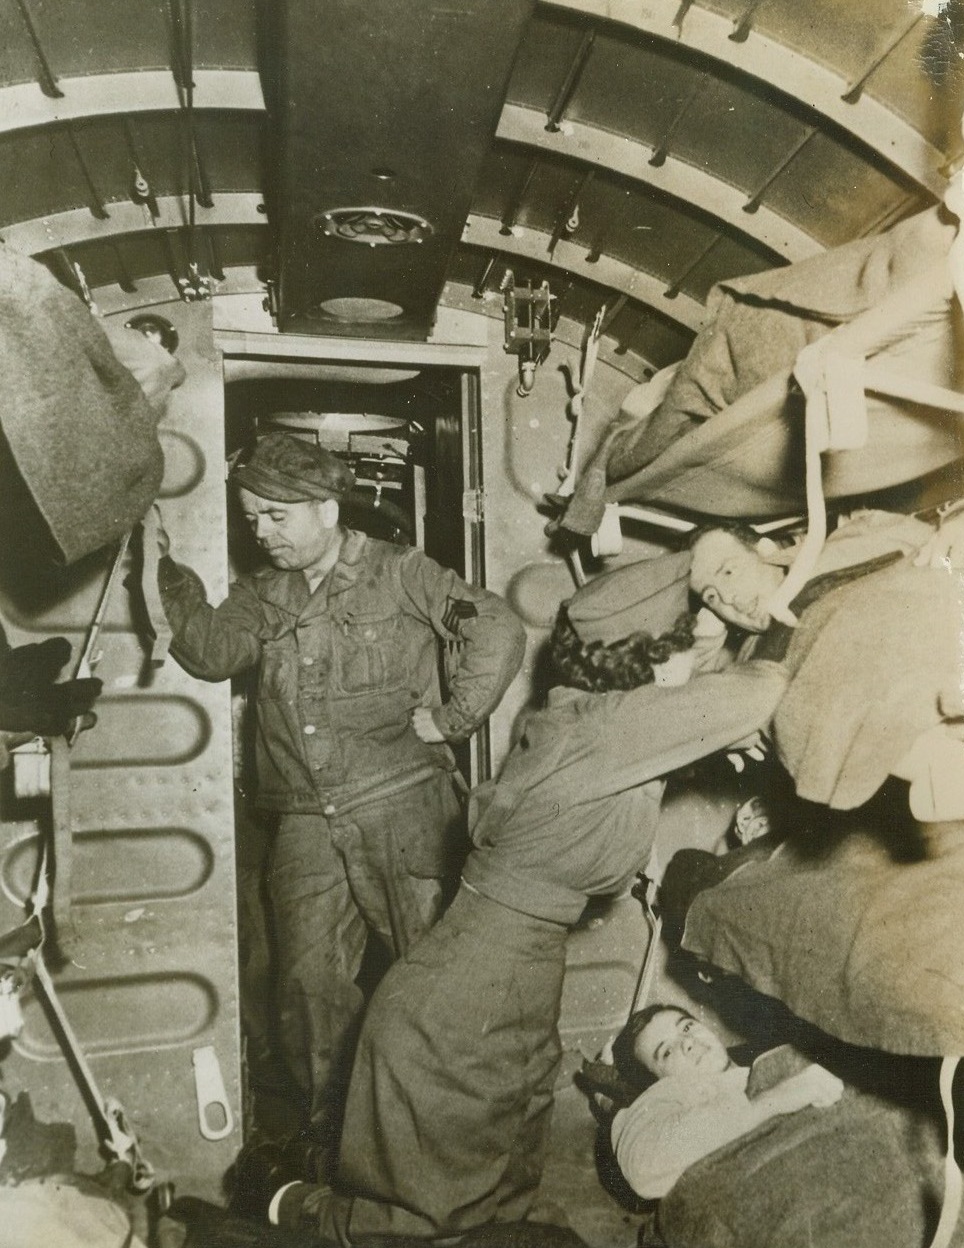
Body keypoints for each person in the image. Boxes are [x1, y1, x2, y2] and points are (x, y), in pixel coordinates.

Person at [236, 551, 788, 1243]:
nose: (696, 659)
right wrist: (766, 604)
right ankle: (287, 1204)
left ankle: (309, 1180)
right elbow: (765, 688)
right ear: (649, 660)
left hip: (504, 974)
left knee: (505, 1190)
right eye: (685, 643)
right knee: (424, 1221)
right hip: (464, 999)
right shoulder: (613, 731)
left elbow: (688, 707)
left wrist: (704, 659)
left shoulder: (584, 713)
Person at [155, 432, 526, 1147]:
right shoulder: (265, 595)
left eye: (275, 516)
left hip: (405, 807)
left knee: (439, 979)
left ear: (326, 510)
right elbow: (211, 652)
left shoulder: (400, 573)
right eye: (251, 517)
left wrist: (453, 718)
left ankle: (456, 1140)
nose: (260, 532)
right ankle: (342, 1152)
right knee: (303, 994)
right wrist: (163, 568)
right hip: (304, 823)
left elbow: (498, 628)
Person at [609, 1004, 843, 1202]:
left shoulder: (774, 1050)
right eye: (667, 1052)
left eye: (687, 1026)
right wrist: (775, 1100)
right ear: (657, 1085)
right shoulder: (661, 1104)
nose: (687, 1041)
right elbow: (642, 1163)